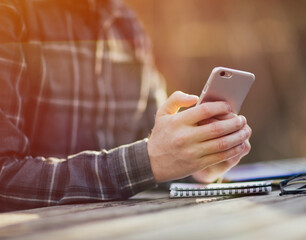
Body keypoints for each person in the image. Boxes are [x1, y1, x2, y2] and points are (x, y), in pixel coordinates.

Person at [0, 0, 251, 212]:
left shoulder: (128, 25)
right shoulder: (10, 15)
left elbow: (152, 153)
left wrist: (198, 164)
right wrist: (149, 161)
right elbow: (4, 177)